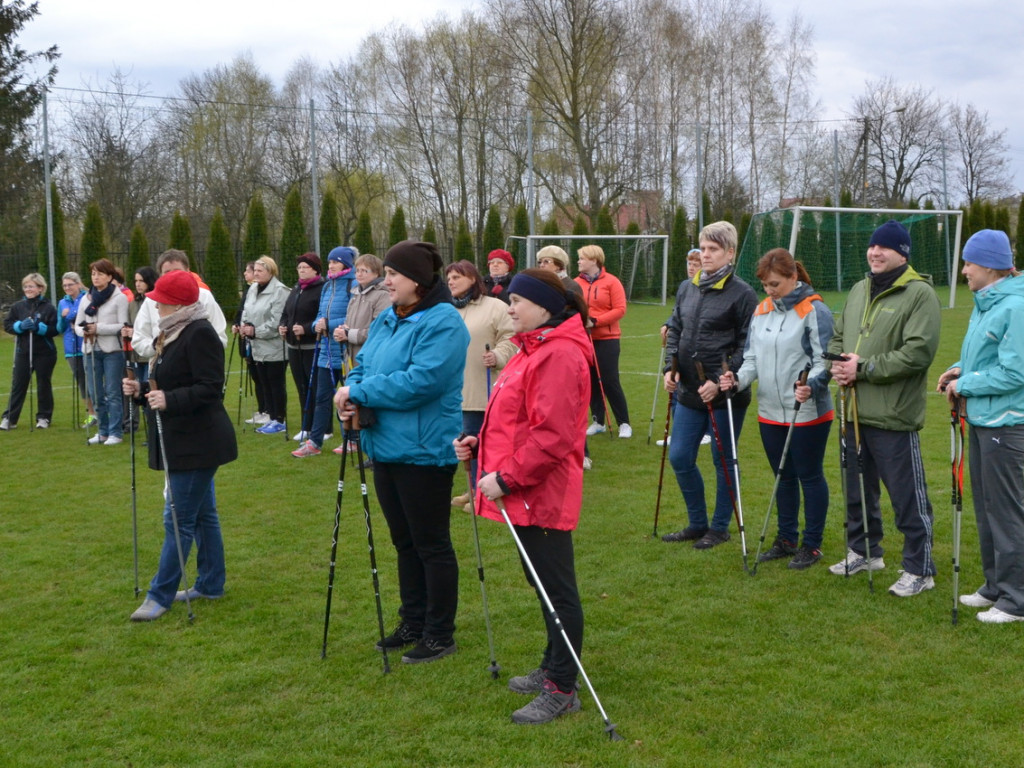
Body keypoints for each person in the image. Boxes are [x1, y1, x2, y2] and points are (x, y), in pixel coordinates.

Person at [454, 268, 593, 725]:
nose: (509, 308)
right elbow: (515, 419)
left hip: (542, 492)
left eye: (517, 301)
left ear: (546, 307)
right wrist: (479, 445)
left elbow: (552, 437)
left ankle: (562, 688)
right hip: (523, 491)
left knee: (557, 590)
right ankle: (554, 665)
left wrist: (507, 478)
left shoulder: (559, 354)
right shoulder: (533, 347)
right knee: (542, 585)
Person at [333, 240, 468, 664]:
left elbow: (421, 382)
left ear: (417, 281)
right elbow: (365, 365)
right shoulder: (391, 316)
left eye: (393, 274)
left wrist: (360, 390)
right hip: (386, 445)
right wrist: (353, 393)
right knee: (404, 542)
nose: (386, 280)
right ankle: (412, 620)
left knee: (431, 544)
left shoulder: (444, 322)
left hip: (425, 450)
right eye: (386, 273)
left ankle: (439, 632)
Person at [827, 219, 940, 597]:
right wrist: (839, 363)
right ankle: (864, 551)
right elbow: (840, 334)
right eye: (872, 246)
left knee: (907, 497)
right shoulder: (860, 288)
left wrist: (865, 368)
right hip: (853, 411)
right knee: (857, 490)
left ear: (902, 254)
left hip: (893, 415)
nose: (875, 252)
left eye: (884, 248)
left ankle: (920, 569)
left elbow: (918, 353)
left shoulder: (919, 293)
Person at [123, 270, 237, 621]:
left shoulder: (199, 333)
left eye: (158, 300)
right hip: (183, 438)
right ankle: (211, 583)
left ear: (175, 303)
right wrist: (142, 392)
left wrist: (168, 398)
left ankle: (160, 594)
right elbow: (168, 382)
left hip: (199, 441)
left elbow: (209, 387)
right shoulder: (172, 333)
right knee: (203, 515)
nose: (153, 305)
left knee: (177, 518)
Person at [719, 249, 834, 569]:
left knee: (809, 477)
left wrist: (811, 385)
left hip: (807, 410)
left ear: (793, 277)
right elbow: (752, 358)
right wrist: (737, 380)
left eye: (775, 284)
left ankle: (811, 544)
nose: (769, 290)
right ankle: (786, 539)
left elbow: (825, 360)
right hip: (770, 410)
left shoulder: (814, 309)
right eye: (766, 285)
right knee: (782, 476)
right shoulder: (761, 311)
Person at [937, 230, 1024, 622]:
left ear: (989, 265)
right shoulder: (986, 302)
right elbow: (983, 354)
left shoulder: (1016, 306)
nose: (964, 269)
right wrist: (958, 369)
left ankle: (1016, 599)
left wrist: (964, 384)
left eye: (969, 262)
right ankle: (995, 586)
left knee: (1007, 512)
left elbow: (1015, 371)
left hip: (1008, 424)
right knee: (987, 506)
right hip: (983, 420)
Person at [661, 222, 758, 549]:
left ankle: (719, 527)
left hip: (727, 395)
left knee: (723, 459)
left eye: (713, 249)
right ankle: (697, 522)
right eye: (702, 248)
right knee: (679, 456)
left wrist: (720, 382)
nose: (705, 255)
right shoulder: (687, 287)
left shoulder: (743, 293)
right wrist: (669, 368)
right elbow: (675, 329)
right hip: (688, 391)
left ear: (729, 253)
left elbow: (747, 346)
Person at [445, 259, 517, 507]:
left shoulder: (495, 307)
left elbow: (512, 338)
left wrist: (497, 356)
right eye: (449, 278)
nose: (451, 281)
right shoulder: (447, 310)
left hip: (484, 388)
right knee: (466, 442)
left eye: (457, 277)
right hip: (454, 390)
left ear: (473, 278)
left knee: (482, 441)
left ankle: (485, 491)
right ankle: (474, 488)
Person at [292, 247, 355, 458]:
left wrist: (329, 324)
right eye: (329, 262)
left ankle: (353, 440)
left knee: (348, 400)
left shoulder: (352, 285)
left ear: (346, 264)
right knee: (321, 398)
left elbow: (353, 317)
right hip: (326, 352)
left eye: (335, 262)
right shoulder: (328, 285)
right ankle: (315, 443)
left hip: (346, 352)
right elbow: (320, 314)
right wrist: (316, 326)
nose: (331, 265)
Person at [332, 252, 390, 458]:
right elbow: (351, 323)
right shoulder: (356, 293)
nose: (359, 274)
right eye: (357, 270)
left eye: (364, 270)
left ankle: (371, 449)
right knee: (352, 397)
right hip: (351, 355)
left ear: (376, 272)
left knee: (369, 402)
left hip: (370, 356)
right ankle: (355, 440)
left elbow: (379, 330)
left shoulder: (382, 295)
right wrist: (342, 331)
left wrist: (350, 334)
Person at [575, 244, 632, 438]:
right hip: (584, 339)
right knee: (590, 380)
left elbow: (620, 309)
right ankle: (598, 420)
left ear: (594, 260)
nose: (579, 261)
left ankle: (624, 422)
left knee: (609, 380)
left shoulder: (612, 282)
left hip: (607, 338)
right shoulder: (576, 283)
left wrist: (596, 321)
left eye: (582, 258)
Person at [131, 249, 228, 361]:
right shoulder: (151, 301)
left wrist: (193, 349)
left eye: (178, 271)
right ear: (160, 275)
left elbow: (219, 337)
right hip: (162, 369)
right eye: (167, 272)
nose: (173, 276)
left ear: (188, 271)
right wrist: (158, 346)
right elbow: (139, 339)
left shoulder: (204, 296)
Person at [76, 259, 130, 445]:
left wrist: (98, 328)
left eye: (100, 274)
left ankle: (116, 432)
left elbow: (122, 325)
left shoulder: (119, 297)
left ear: (109, 276)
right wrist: (83, 330)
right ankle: (103, 431)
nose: (96, 277)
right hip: (90, 349)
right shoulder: (86, 298)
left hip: (112, 350)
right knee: (95, 392)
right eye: (93, 274)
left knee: (113, 391)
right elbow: (77, 324)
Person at [1, 273, 60, 430]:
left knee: (43, 384)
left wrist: (40, 328)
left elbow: (55, 329)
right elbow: (7, 324)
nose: (28, 289)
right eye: (26, 286)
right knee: (18, 384)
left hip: (45, 353)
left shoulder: (49, 308)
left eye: (31, 286)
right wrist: (19, 326)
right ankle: (9, 418)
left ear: (40, 288)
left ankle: (43, 417)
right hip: (23, 351)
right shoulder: (18, 306)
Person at [239, 256, 290, 434]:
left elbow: (276, 321)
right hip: (256, 347)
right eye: (256, 271)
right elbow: (247, 310)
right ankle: (270, 416)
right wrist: (244, 326)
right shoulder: (253, 288)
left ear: (271, 271)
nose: (256, 274)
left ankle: (280, 419)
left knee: (275, 383)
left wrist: (256, 331)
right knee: (263, 382)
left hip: (274, 346)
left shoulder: (280, 291)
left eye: (260, 271)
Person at [279, 252, 325, 441]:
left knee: (314, 388)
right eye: (299, 267)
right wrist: (283, 325)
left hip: (312, 346)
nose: (301, 270)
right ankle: (306, 425)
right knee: (301, 386)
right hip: (293, 345)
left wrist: (306, 329)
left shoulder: (322, 288)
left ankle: (321, 426)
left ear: (315, 269)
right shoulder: (297, 288)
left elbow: (322, 315)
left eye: (305, 267)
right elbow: (286, 312)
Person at [122, 266, 158, 434]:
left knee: (149, 392)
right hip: (136, 355)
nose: (137, 284)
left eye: (141, 281)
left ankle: (154, 429)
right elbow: (129, 324)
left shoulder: (153, 302)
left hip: (150, 355)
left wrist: (134, 332)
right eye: (135, 281)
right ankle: (148, 428)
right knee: (138, 392)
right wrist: (126, 332)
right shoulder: (133, 303)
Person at [57, 271, 96, 426]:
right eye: (65, 285)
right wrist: (62, 317)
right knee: (81, 381)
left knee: (94, 379)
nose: (67, 287)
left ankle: (102, 411)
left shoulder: (87, 297)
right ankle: (92, 414)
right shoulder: (62, 303)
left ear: (78, 284)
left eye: (70, 284)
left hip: (86, 344)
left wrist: (73, 316)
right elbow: (60, 328)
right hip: (70, 347)